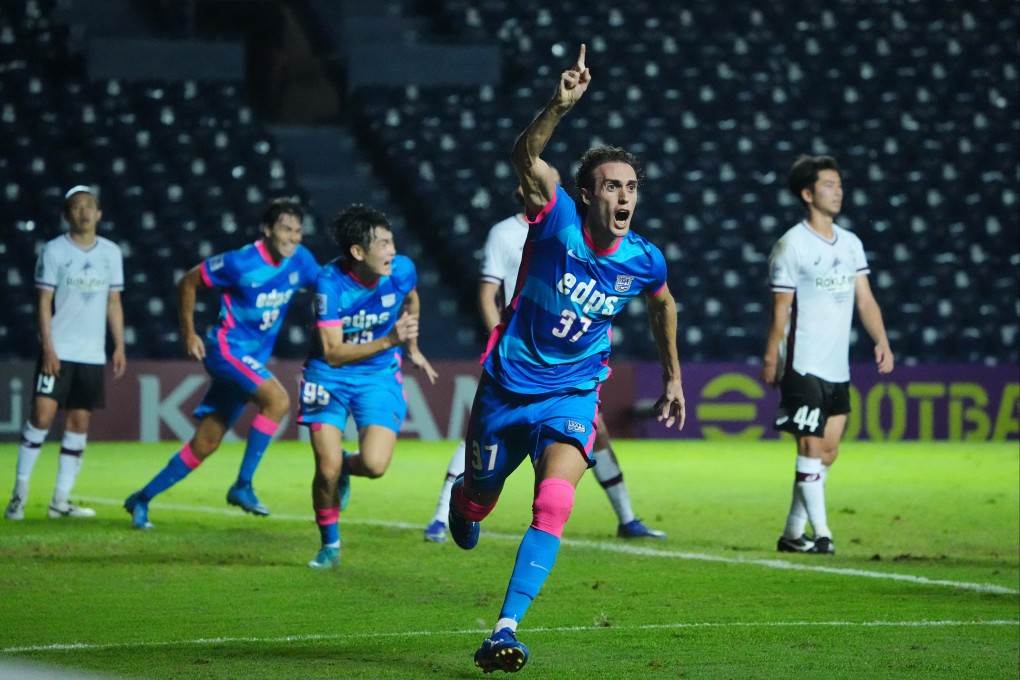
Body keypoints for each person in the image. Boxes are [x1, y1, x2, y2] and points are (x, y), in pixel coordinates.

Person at [447, 44, 686, 673]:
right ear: (586, 194)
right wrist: (560, 103)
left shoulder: (643, 258)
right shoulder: (553, 219)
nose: (625, 196)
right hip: (506, 389)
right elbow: (525, 157)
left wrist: (673, 375)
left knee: (554, 503)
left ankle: (504, 628)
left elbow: (664, 306)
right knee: (479, 499)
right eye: (612, 186)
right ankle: (465, 504)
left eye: (632, 186)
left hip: (574, 392)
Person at [424, 179, 666, 543]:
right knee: (482, 436)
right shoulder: (504, 234)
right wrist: (503, 343)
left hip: (567, 368)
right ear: (521, 189)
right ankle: (444, 515)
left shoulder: (568, 228)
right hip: (516, 355)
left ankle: (627, 517)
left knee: (592, 431)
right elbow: (488, 292)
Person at [123, 198, 320, 529]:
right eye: (286, 228)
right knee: (278, 400)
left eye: (298, 231)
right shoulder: (240, 262)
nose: (293, 237)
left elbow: (325, 287)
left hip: (250, 358)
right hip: (225, 350)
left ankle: (141, 499)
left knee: (206, 442)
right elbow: (188, 281)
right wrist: (189, 333)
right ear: (268, 229)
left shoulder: (301, 260)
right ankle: (243, 485)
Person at [760, 154, 894, 556]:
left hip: (838, 364)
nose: (838, 192)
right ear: (807, 193)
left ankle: (791, 532)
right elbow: (780, 310)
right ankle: (823, 534)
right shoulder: (792, 245)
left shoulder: (851, 243)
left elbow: (865, 300)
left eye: (839, 185)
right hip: (802, 362)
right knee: (810, 447)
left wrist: (881, 340)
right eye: (829, 185)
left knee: (829, 450)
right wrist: (771, 358)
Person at [299, 203, 437, 569]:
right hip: (328, 375)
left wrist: (412, 344)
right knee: (325, 466)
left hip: (377, 376)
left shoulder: (401, 270)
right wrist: (392, 339)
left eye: (392, 241)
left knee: (375, 465)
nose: (393, 251)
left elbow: (411, 297)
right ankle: (330, 544)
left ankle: (347, 467)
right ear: (358, 252)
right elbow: (331, 352)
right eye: (383, 244)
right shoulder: (329, 283)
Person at [5, 185, 126, 520]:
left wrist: (119, 345)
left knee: (78, 422)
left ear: (99, 214)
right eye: (76, 206)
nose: (84, 212)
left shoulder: (111, 253)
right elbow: (43, 302)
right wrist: (48, 347)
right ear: (66, 214)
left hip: (90, 354)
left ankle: (60, 501)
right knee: (41, 417)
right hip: (59, 349)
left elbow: (114, 302)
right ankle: (19, 493)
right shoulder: (54, 251)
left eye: (89, 206)